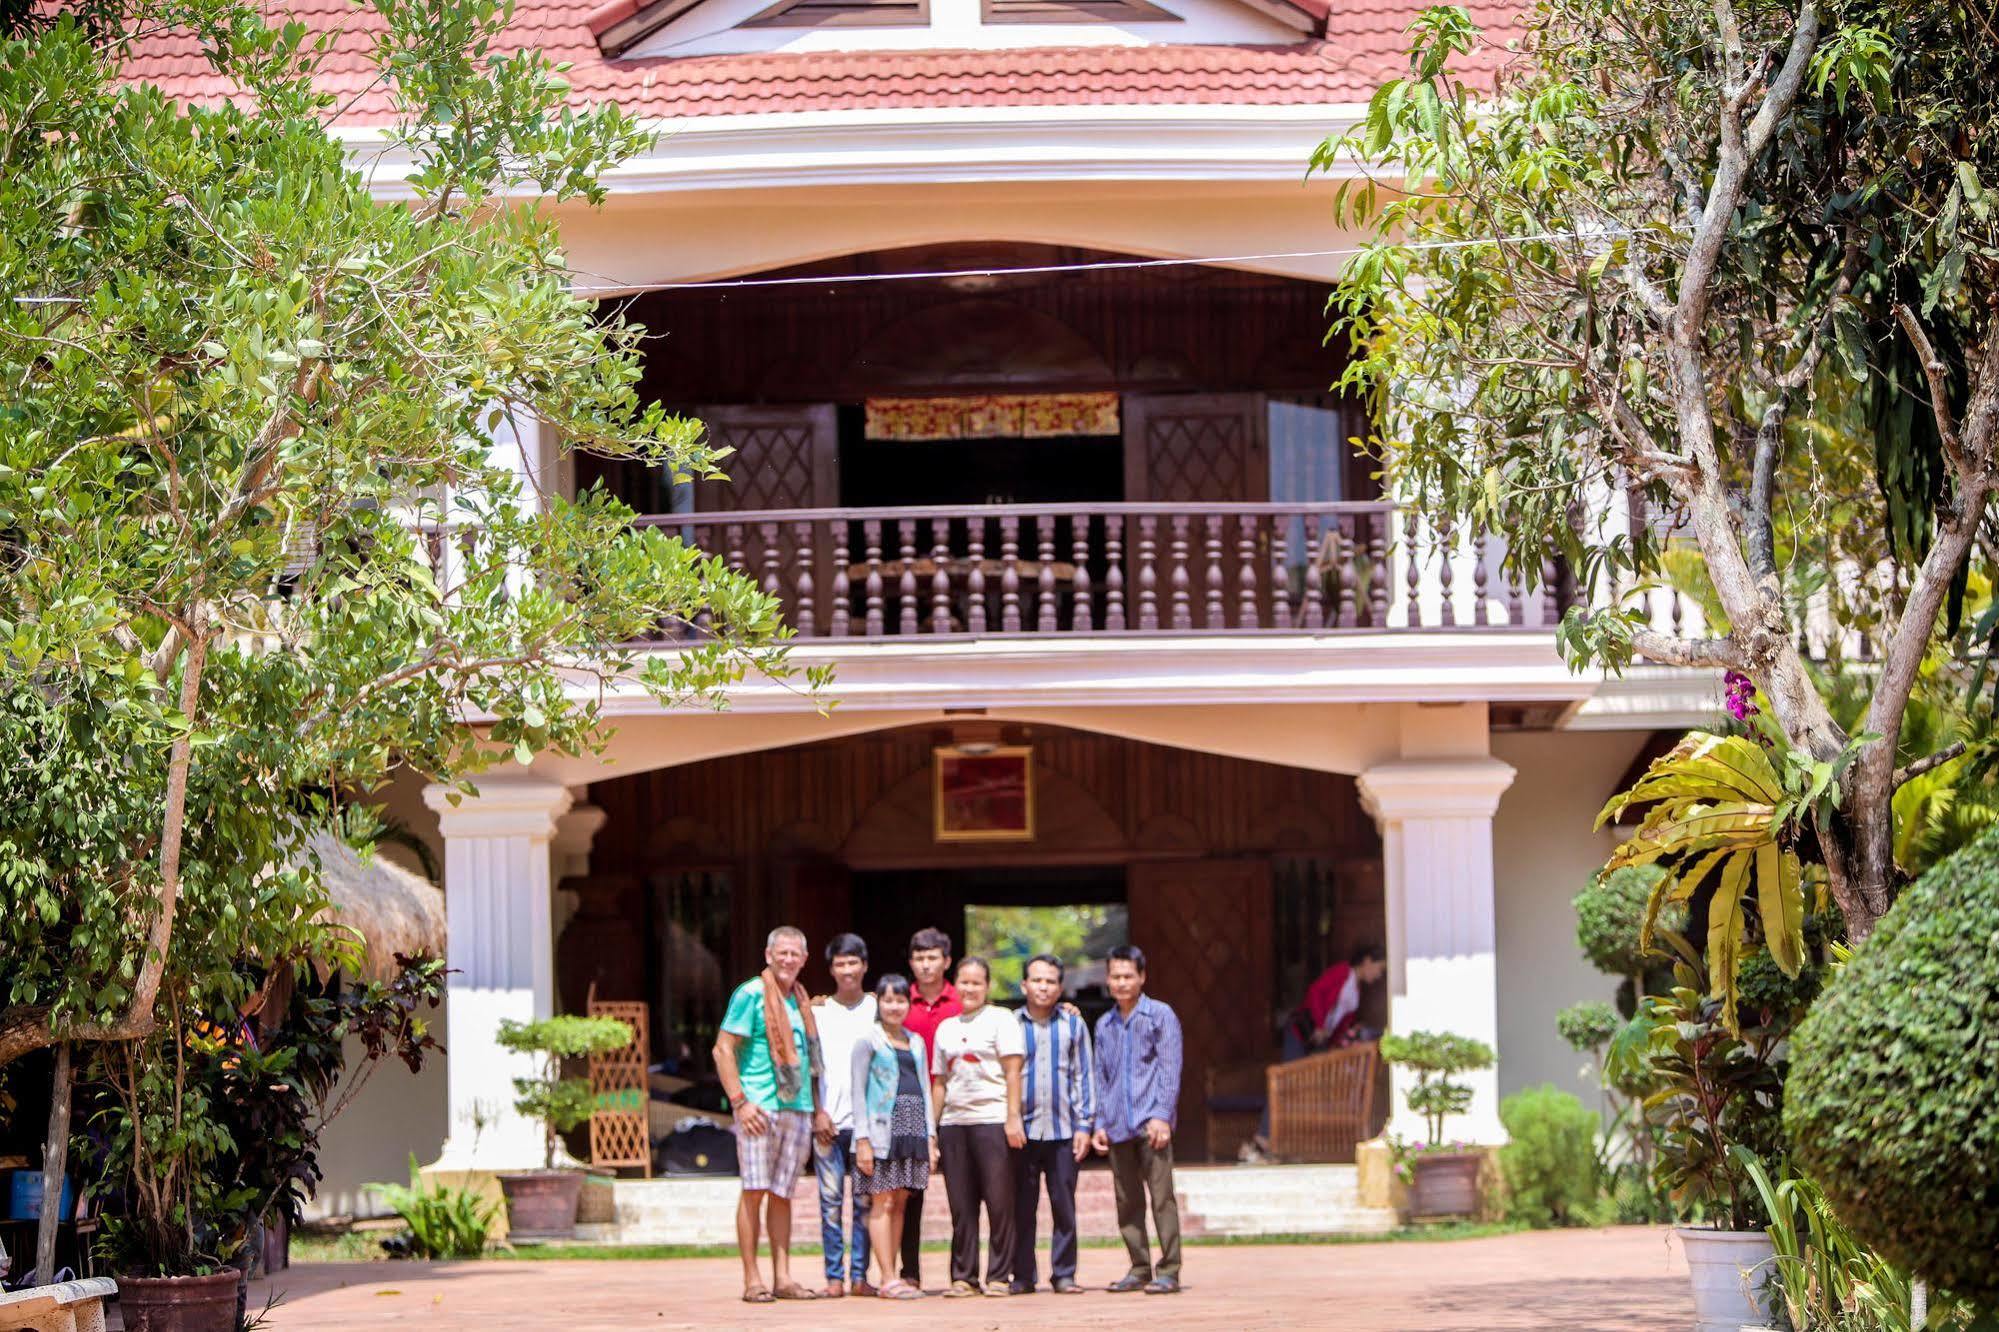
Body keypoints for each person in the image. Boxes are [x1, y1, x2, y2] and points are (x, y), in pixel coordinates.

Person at [713, 925, 835, 1304]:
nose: (787, 960)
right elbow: (722, 1049)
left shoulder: (800, 1000)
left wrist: (817, 1109)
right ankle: (752, 1279)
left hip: (796, 1108)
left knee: (783, 1194)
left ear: (804, 959)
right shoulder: (751, 993)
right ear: (768, 956)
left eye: (794, 954)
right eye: (781, 953)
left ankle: (783, 1277)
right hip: (759, 1107)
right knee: (754, 1191)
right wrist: (740, 1101)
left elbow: (812, 1062)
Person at [929, 956, 1026, 1298]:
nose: (969, 988)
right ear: (955, 985)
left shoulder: (1002, 1020)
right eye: (964, 982)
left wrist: (1013, 1117)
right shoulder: (946, 1027)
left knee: (999, 1202)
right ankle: (963, 1276)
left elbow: (1013, 1072)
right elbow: (939, 1081)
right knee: (961, 1204)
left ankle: (999, 1275)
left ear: (987, 986)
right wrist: (932, 1129)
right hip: (954, 1123)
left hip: (992, 1119)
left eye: (976, 983)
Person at [1092, 945, 1183, 1295]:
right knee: (1127, 1201)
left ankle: (1170, 1269)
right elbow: (1102, 1077)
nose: (1121, 982)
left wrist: (1162, 1115)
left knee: (1162, 1199)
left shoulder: (1161, 1016)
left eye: (1128, 975)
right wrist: (1099, 1121)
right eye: (1115, 976)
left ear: (1142, 977)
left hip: (1150, 1124)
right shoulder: (1104, 1024)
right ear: (1107, 980)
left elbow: (1169, 1069)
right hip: (1117, 1125)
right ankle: (1139, 1267)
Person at [1009, 954, 1095, 1295]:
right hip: (1022, 1132)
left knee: (1064, 1205)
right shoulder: (1009, 1024)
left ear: (1060, 988)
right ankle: (1023, 1276)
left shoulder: (1073, 1024)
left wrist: (1084, 1125)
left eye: (1050, 981)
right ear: (1024, 985)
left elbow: (1082, 1076)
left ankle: (1064, 1274)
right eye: (1037, 980)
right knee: (1022, 1207)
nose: (1043, 987)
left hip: (1063, 1131)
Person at [852, 973, 939, 1301]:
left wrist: (930, 1137)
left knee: (900, 1201)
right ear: (879, 1002)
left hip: (912, 1130)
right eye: (888, 1000)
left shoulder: (915, 1041)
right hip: (880, 1132)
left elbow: (926, 1090)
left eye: (900, 1000)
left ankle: (896, 1273)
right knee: (882, 1201)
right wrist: (862, 1140)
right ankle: (887, 1277)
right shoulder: (868, 1040)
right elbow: (858, 1092)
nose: (894, 1007)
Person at [1255, 944, 1388, 1154]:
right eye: (1379, 969)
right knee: (1284, 1080)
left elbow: (1341, 1022)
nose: (1378, 976)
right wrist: (1318, 1024)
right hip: (1302, 1033)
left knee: (1312, 1083)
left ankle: (1293, 1142)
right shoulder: (1342, 972)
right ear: (1367, 961)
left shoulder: (1356, 990)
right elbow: (1316, 992)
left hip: (1319, 1041)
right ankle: (1263, 1136)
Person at [811, 933, 878, 1297]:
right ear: (832, 969)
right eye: (840, 963)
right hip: (828, 1123)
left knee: (865, 1203)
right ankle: (833, 1278)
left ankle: (859, 1276)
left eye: (854, 962)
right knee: (830, 1202)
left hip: (867, 1127)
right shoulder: (818, 1012)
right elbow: (808, 1067)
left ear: (865, 966)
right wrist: (816, 1112)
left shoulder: (878, 1009)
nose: (848, 970)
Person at [895, 926, 961, 1287]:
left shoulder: (962, 1000)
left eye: (932, 957)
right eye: (919, 958)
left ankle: (962, 1274)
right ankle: (910, 1273)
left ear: (946, 961)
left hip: (957, 1110)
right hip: (909, 1110)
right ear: (911, 962)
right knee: (909, 1197)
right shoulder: (898, 1001)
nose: (925, 964)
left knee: (960, 1198)